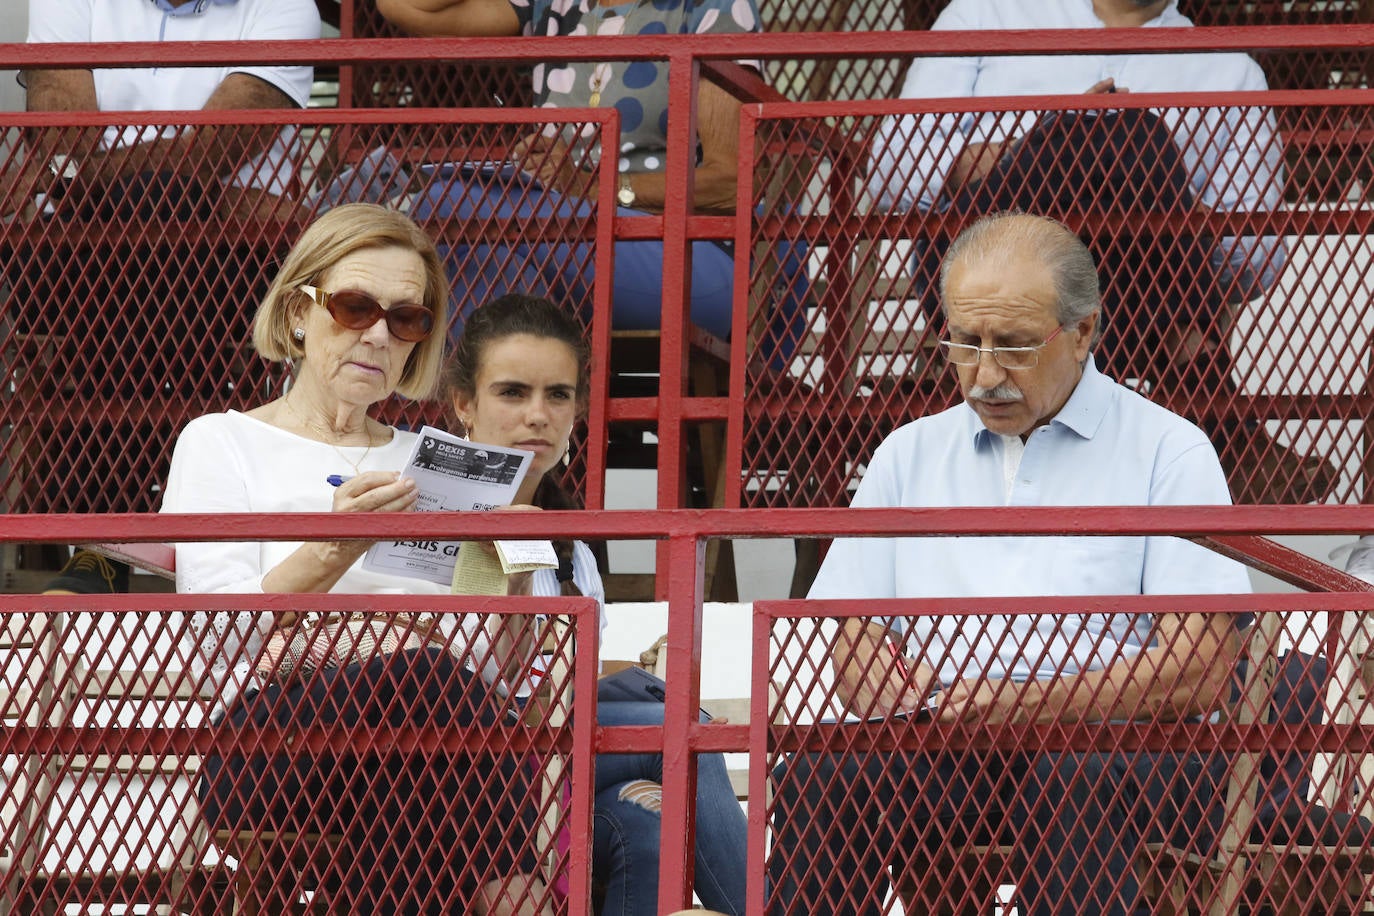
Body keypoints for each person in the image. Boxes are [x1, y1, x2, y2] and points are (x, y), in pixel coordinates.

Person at [767, 212, 1254, 916]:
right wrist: (874, 671)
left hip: (1122, 746)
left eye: (1016, 346)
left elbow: (1202, 664)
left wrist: (1033, 702)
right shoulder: (909, 453)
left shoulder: (1167, 449)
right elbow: (848, 627)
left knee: (1072, 776)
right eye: (965, 342)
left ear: (1083, 333)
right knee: (822, 776)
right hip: (951, 738)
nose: (985, 374)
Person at [160, 203, 554, 915]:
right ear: (298, 314)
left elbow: (488, 672)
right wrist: (334, 549)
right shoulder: (219, 441)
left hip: (424, 744)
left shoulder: (430, 461)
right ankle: (513, 886)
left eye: (407, 319)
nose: (378, 334)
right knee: (424, 685)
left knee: (411, 764)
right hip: (268, 742)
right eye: (354, 307)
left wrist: (513, 570)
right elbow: (217, 638)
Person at [867, 0, 1336, 503]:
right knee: (1116, 132)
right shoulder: (985, 13)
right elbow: (891, 176)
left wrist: (1164, 190)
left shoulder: (1230, 68)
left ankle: (1134, 177)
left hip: (1130, 307)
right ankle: (1219, 414)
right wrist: (1044, 138)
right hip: (993, 274)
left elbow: (1256, 262)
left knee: (1132, 137)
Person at [443, 292, 749, 916]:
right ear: (464, 405)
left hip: (558, 766)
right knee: (681, 730)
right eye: (511, 393)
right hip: (462, 777)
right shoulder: (425, 520)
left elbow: (563, 681)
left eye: (557, 395)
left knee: (643, 819)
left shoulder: (574, 549)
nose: (538, 415)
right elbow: (469, 679)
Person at [371, 0, 808, 362]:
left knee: (451, 207)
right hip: (561, 237)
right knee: (473, 248)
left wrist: (591, 185)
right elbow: (409, 8)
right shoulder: (556, 5)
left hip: (687, 253)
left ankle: (496, 437)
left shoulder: (709, 8)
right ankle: (517, 445)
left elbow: (731, 181)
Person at [19, 0, 320, 220]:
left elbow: (209, 155)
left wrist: (60, 177)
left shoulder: (286, 6)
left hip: (230, 241)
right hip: (82, 232)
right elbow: (60, 147)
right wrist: (230, 199)